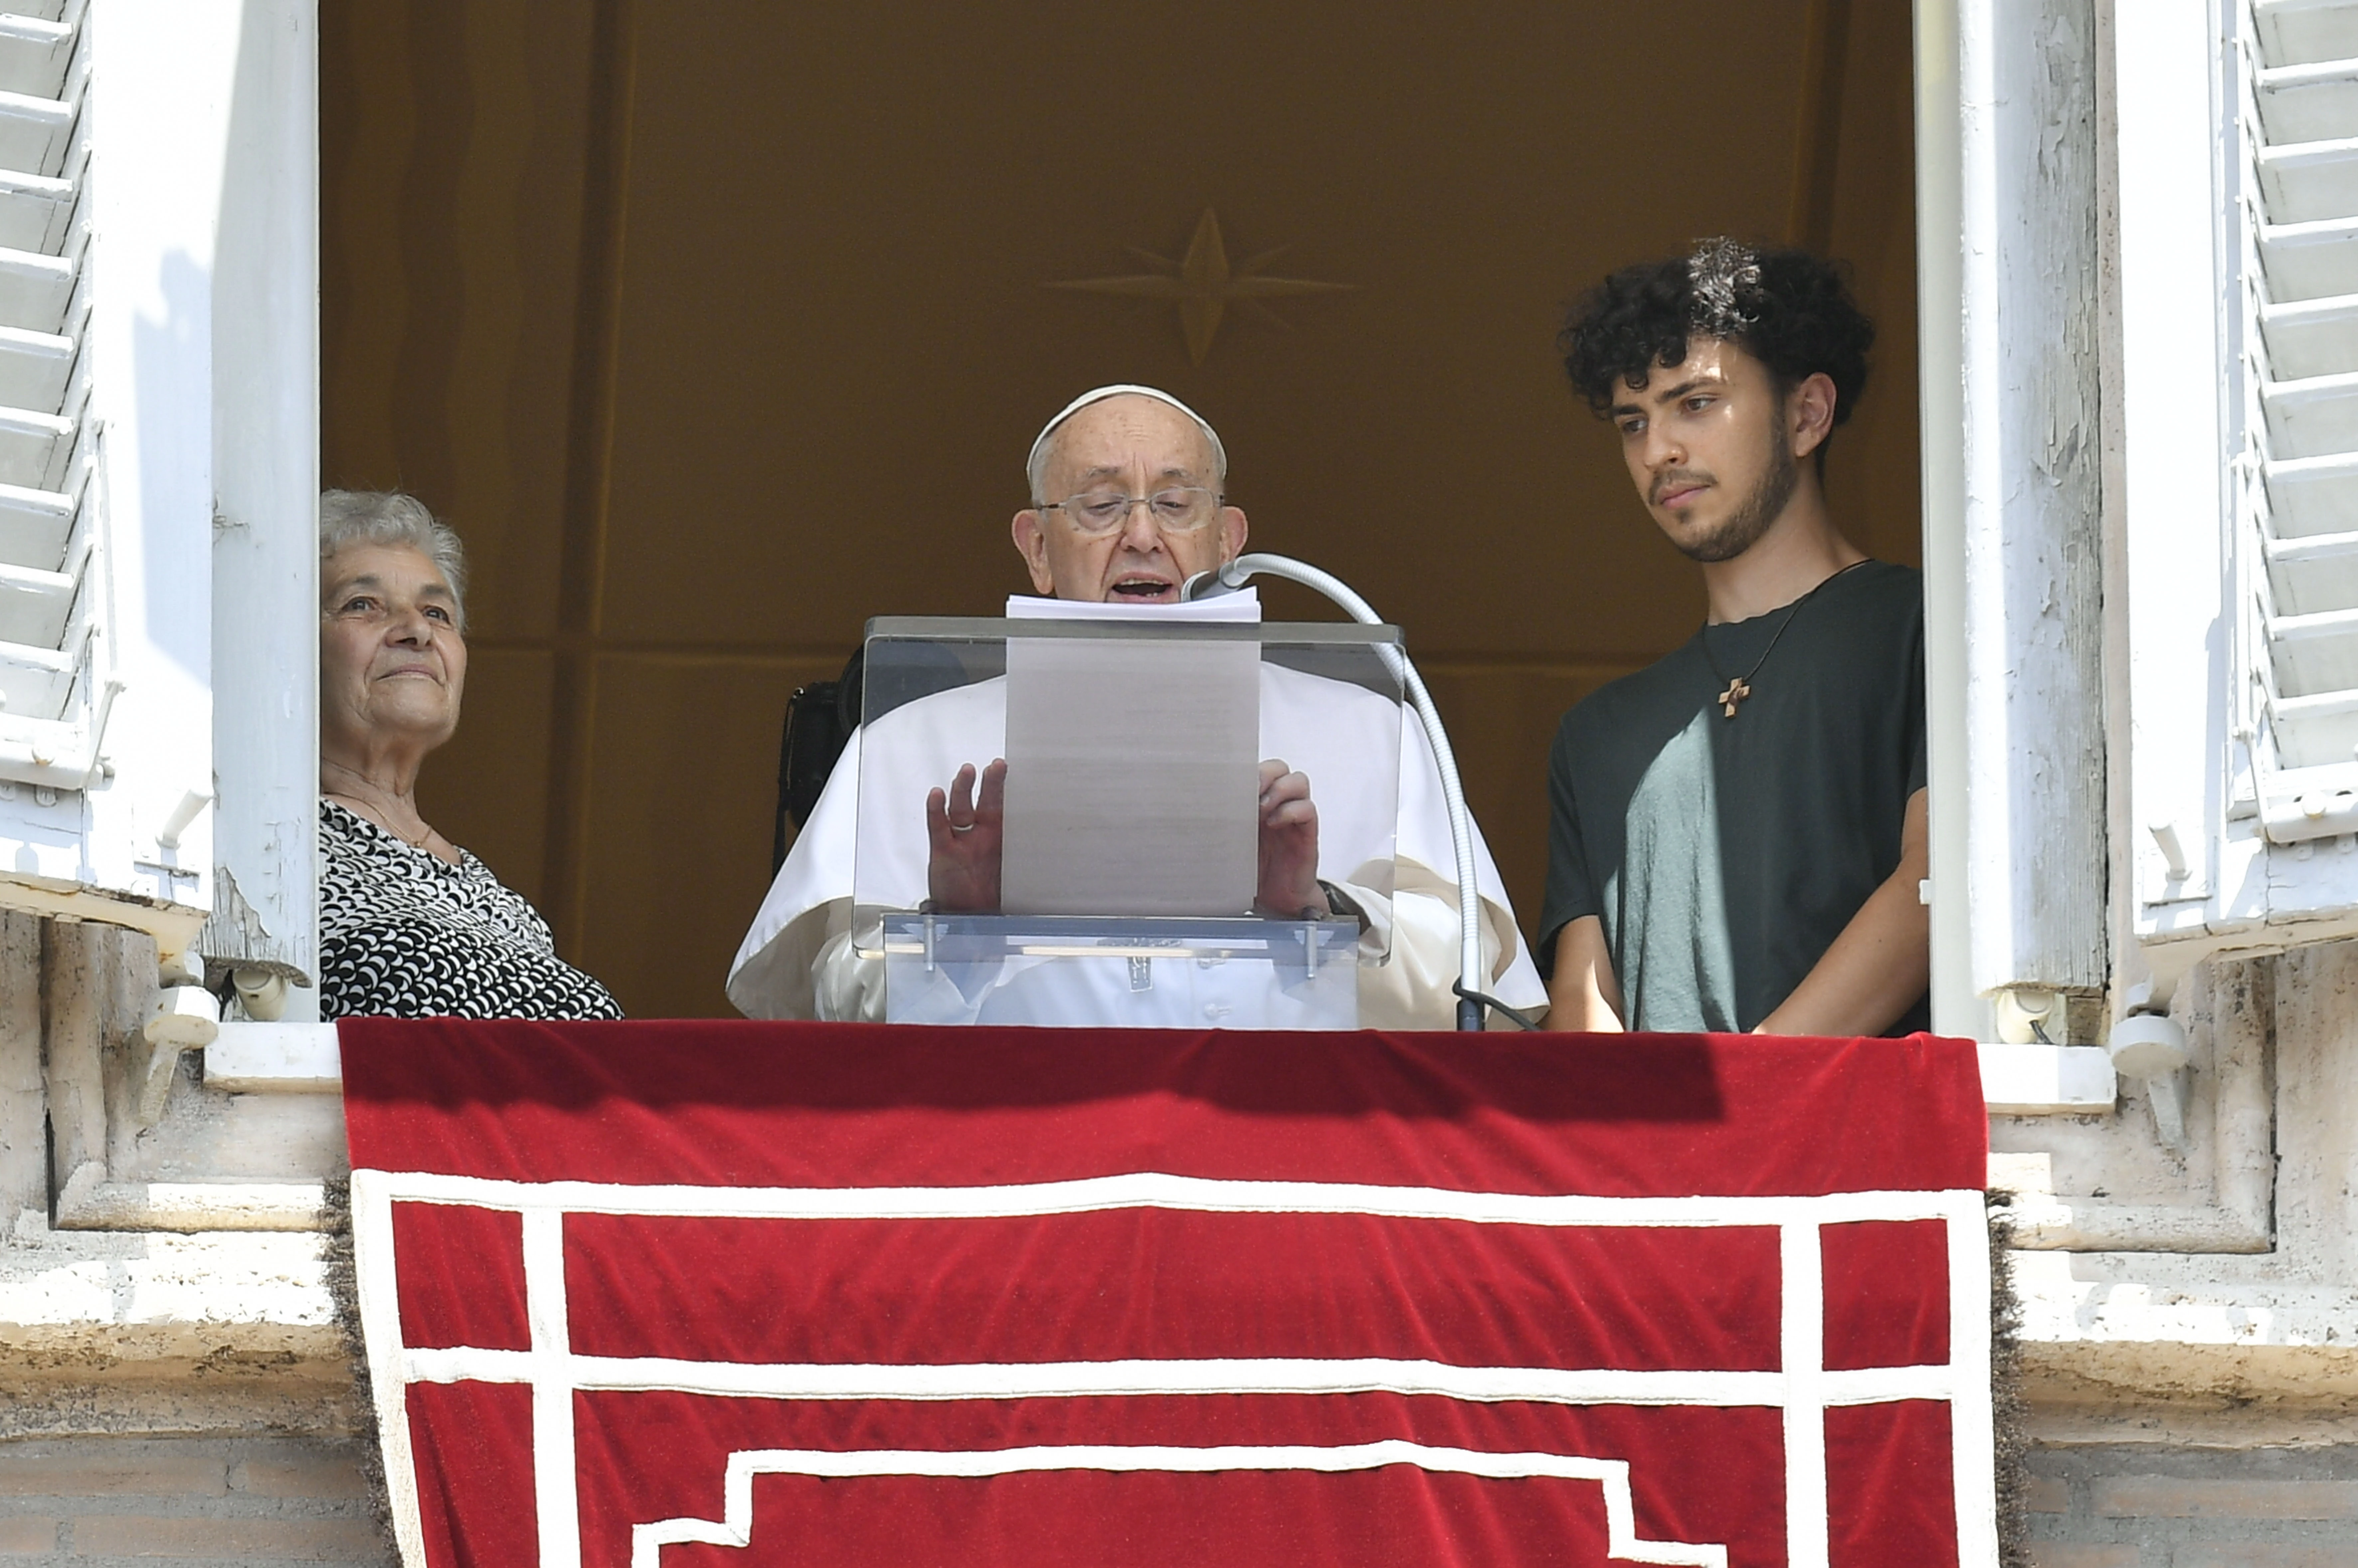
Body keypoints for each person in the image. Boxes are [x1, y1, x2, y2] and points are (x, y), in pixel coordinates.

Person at [729, 385, 1546, 1028]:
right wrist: (956, 923)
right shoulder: (911, 739)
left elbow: (1468, 996)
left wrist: (1315, 912)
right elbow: (820, 1007)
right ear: (1038, 549)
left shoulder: (1373, 729)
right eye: (1101, 504)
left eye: (1177, 503)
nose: (1144, 535)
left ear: (1229, 542)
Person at [1542, 239, 1928, 1036]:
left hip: (1882, 1156)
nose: (1658, 451)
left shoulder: (1926, 629)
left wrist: (1747, 1108)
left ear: (1806, 414)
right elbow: (1585, 1016)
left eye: (1696, 403)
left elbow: (1938, 883)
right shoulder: (1596, 736)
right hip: (1656, 1158)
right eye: (1633, 422)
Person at [315, 489, 622, 1020]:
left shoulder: (507, 908)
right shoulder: (264, 855)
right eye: (362, 605)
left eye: (438, 613)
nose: (417, 632)